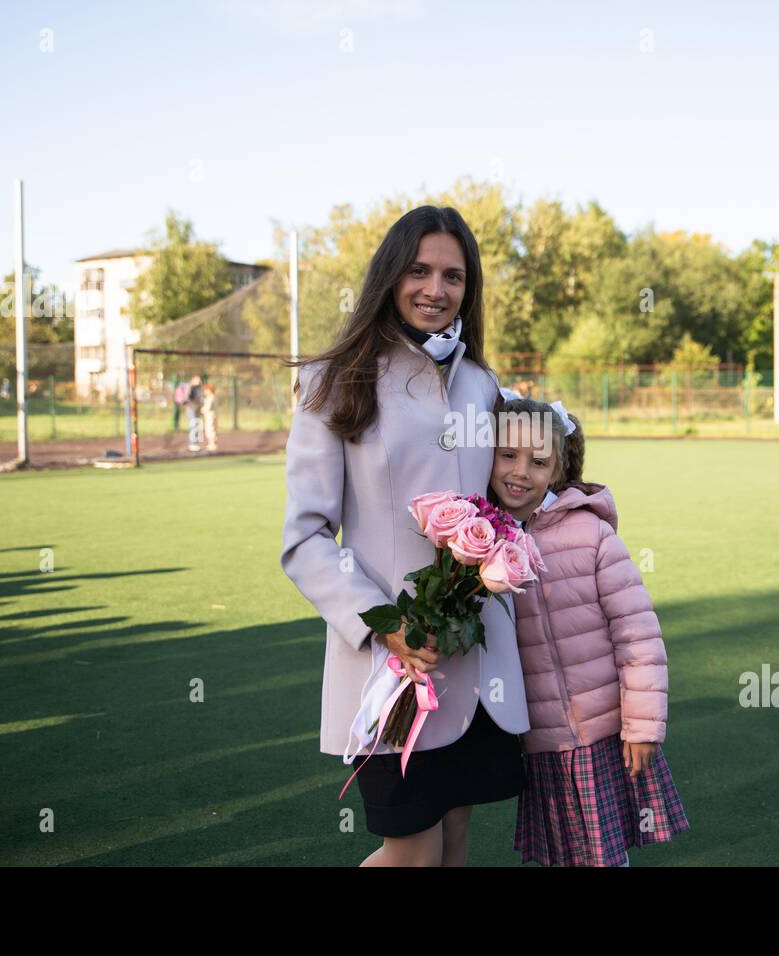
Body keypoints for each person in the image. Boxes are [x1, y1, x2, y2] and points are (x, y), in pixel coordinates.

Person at [281, 205, 529, 867]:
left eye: (453, 275)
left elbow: (508, 500)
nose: (436, 289)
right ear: (389, 276)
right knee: (411, 856)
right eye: (419, 270)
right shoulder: (332, 381)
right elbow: (305, 537)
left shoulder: (482, 384)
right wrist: (382, 624)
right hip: (393, 671)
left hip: (475, 666)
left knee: (452, 844)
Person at [489, 395, 689, 867]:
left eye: (538, 462)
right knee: (562, 855)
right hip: (542, 741)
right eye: (507, 455)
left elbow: (638, 635)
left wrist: (642, 724)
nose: (520, 472)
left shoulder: (590, 535)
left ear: (558, 470)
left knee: (603, 855)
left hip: (603, 733)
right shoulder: (483, 539)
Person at [185, 375, 204, 451]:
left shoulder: (198, 388)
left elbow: (200, 398)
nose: (199, 382)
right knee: (193, 426)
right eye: (197, 380)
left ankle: (195, 443)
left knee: (197, 426)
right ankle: (192, 444)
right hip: (192, 409)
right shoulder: (190, 387)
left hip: (197, 408)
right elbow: (188, 398)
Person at [202, 383, 218, 451]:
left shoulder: (210, 398)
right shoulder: (213, 397)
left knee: (210, 429)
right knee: (211, 429)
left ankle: (212, 444)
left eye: (206, 390)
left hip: (210, 415)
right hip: (212, 415)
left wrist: (202, 410)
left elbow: (207, 407)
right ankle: (211, 444)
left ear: (209, 390)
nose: (204, 391)